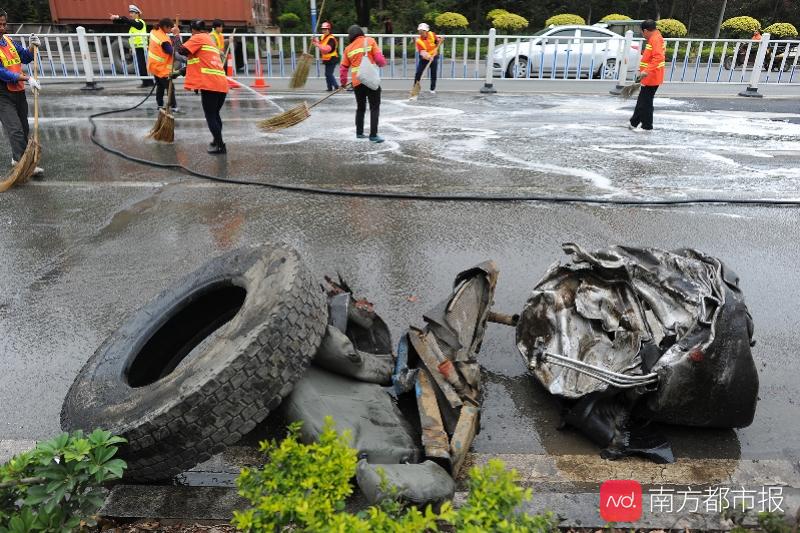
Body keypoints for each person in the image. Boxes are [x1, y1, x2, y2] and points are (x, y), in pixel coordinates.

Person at [173, 19, 230, 154]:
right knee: (215, 114)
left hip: (210, 84)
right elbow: (197, 62)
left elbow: (181, 50)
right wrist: (178, 72)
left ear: (193, 30)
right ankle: (217, 140)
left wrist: (176, 35)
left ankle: (220, 145)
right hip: (221, 83)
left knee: (210, 115)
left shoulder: (198, 38)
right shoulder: (209, 40)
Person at [0, 10, 43, 175]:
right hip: (2, 94)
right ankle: (23, 164)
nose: (3, 28)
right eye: (0, 25)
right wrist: (26, 78)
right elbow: (2, 72)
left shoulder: (8, 41)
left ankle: (17, 158)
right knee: (15, 129)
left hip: (17, 91)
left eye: (4, 24)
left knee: (24, 128)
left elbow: (25, 57)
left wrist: (32, 46)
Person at [340, 25, 387, 143]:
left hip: (357, 82)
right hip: (370, 80)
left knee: (360, 108)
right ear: (361, 33)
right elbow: (380, 60)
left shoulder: (348, 48)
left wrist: (343, 83)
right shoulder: (370, 41)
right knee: (374, 107)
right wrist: (382, 63)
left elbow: (343, 68)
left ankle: (359, 133)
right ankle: (373, 135)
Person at [629, 19, 665, 132]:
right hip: (650, 76)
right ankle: (634, 122)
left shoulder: (655, 39)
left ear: (645, 30)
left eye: (642, 32)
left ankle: (647, 126)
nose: (643, 35)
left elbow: (658, 57)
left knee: (646, 102)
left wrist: (646, 71)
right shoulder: (656, 37)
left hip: (651, 76)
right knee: (643, 101)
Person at [110, 5, 154, 87]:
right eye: (130, 13)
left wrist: (120, 17)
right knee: (141, 66)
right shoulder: (133, 23)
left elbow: (129, 22)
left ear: (137, 13)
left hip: (143, 47)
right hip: (137, 47)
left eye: (132, 13)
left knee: (143, 66)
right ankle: (147, 82)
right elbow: (123, 22)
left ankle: (148, 82)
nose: (130, 14)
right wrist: (115, 19)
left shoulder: (140, 22)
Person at [148, 18, 177, 112]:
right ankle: (173, 107)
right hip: (161, 68)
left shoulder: (155, 31)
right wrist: (183, 57)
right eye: (170, 28)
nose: (170, 30)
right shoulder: (163, 39)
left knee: (160, 86)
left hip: (154, 66)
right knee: (170, 88)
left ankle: (160, 105)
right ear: (165, 27)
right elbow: (171, 51)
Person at [414, 23, 443, 95]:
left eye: (423, 31)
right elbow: (422, 53)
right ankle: (415, 88)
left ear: (426, 31)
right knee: (419, 72)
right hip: (424, 58)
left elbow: (436, 42)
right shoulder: (419, 41)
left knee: (433, 73)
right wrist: (429, 57)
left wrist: (440, 41)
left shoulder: (432, 34)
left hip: (434, 56)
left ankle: (432, 89)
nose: (421, 33)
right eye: (420, 31)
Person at [312, 21, 339, 91]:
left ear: (329, 30)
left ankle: (336, 87)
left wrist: (317, 45)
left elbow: (327, 49)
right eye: (323, 29)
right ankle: (329, 88)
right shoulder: (323, 37)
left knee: (329, 74)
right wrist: (315, 41)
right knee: (327, 74)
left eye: (325, 29)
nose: (324, 30)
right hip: (326, 59)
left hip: (332, 58)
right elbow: (321, 44)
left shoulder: (331, 39)